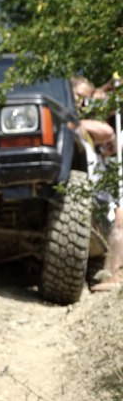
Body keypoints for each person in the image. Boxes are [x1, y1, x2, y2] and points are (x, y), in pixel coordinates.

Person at [70, 76, 123, 290]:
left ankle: (112, 274)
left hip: (97, 190)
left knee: (119, 219)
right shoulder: (69, 120)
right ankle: (112, 276)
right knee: (119, 220)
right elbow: (106, 131)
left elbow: (108, 136)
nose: (82, 103)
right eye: (78, 97)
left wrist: (104, 93)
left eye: (86, 99)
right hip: (82, 192)